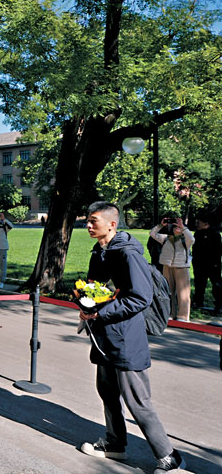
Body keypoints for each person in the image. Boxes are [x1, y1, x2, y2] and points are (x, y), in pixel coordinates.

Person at [78, 202, 185, 472]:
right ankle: (115, 445)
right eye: (88, 221)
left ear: (112, 224)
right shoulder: (100, 250)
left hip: (126, 335)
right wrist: (86, 302)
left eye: (93, 221)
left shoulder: (128, 253)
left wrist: (100, 314)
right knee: (107, 392)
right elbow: (97, 287)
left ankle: (168, 457)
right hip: (104, 335)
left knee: (138, 400)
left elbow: (140, 297)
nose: (88, 226)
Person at [149, 214, 195, 321]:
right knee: (168, 291)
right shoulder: (166, 238)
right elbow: (152, 233)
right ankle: (169, 313)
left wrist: (183, 226)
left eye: (179, 227)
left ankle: (183, 316)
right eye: (175, 227)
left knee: (183, 292)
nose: (176, 228)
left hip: (181, 268)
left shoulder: (186, 240)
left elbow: (192, 238)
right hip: (167, 267)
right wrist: (161, 225)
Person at [192, 214, 221, 315]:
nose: (197, 224)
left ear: (205, 223)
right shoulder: (197, 234)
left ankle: (219, 304)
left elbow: (218, 250)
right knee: (199, 284)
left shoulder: (215, 234)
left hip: (212, 264)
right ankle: (198, 302)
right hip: (200, 264)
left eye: (199, 222)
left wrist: (215, 263)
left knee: (216, 285)